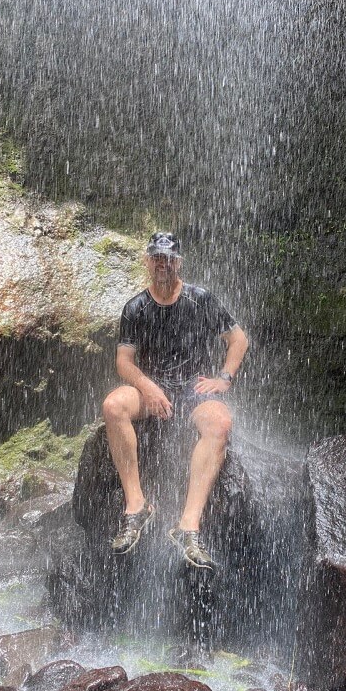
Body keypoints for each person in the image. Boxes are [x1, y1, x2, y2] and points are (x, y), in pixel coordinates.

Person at [102, 232, 248, 570]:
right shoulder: (136, 307)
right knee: (113, 406)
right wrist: (148, 387)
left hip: (193, 390)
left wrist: (224, 378)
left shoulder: (201, 299)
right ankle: (137, 508)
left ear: (179, 262)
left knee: (220, 423)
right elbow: (124, 362)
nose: (163, 264)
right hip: (151, 388)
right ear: (148, 262)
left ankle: (188, 528)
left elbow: (238, 339)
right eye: (157, 258)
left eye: (169, 259)